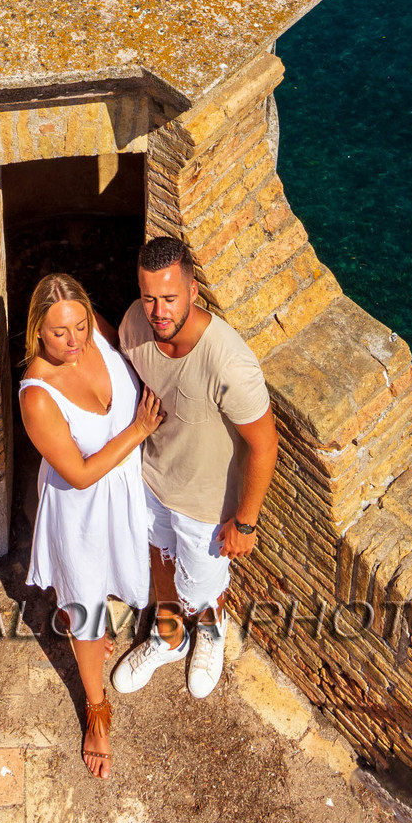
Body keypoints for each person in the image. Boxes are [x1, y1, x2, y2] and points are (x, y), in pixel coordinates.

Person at [112, 234, 279, 701]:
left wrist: (245, 522)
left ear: (193, 292)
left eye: (169, 298)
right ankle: (169, 638)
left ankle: (210, 632)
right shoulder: (135, 322)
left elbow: (265, 444)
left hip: (206, 504)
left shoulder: (228, 363)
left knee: (205, 585)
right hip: (152, 479)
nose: (158, 311)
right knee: (160, 562)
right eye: (149, 298)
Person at [18, 271, 164, 779]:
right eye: (59, 332)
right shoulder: (37, 396)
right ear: (37, 330)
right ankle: (97, 710)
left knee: (105, 587)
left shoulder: (95, 330)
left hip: (124, 489)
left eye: (79, 326)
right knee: (86, 609)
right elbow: (78, 475)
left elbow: (135, 361)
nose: (74, 340)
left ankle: (84, 625)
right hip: (80, 508)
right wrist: (140, 429)